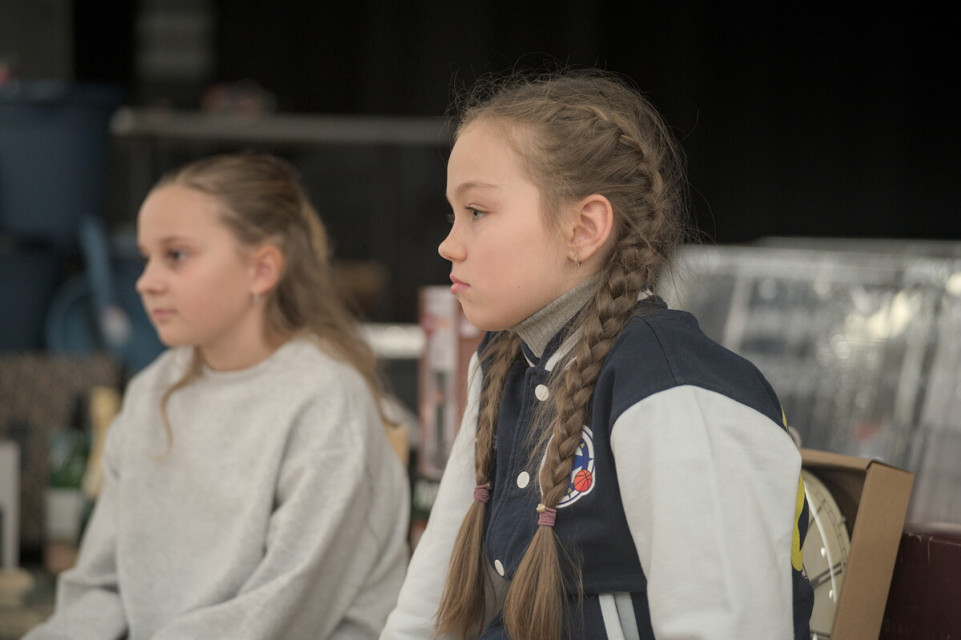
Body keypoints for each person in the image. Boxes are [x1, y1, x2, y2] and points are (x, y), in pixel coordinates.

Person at [380, 68, 814, 640]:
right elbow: (426, 609)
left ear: (584, 228)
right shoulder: (501, 360)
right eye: (452, 215)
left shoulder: (674, 388)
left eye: (477, 212)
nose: (448, 244)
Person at [26, 151, 411, 640]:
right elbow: (103, 586)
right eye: (146, 258)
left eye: (176, 255)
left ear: (261, 270)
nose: (145, 282)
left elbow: (280, 611)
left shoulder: (328, 401)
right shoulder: (151, 392)